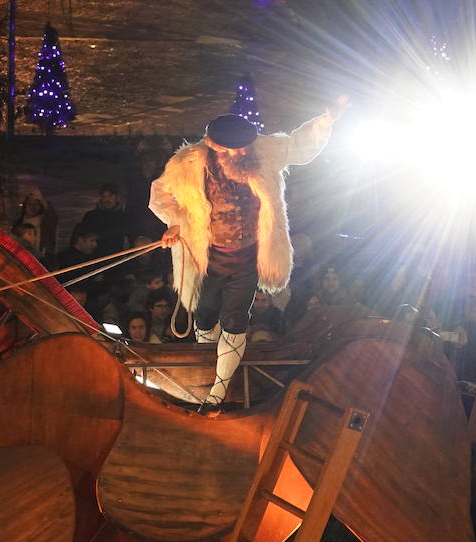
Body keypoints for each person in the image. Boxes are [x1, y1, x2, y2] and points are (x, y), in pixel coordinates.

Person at [149, 97, 349, 408]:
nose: (242, 152)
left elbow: (297, 145)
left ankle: (217, 392)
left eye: (245, 146)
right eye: (235, 148)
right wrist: (176, 222)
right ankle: (208, 368)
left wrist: (327, 120)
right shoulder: (187, 164)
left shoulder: (262, 151)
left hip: (249, 254)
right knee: (204, 315)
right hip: (209, 256)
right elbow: (160, 193)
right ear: (215, 146)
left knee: (235, 318)